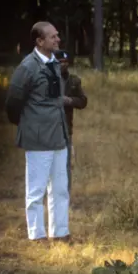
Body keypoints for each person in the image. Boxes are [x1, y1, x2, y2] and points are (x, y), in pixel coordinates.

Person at [5, 21, 71, 243]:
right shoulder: (27, 68)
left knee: (60, 189)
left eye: (57, 35)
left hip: (58, 135)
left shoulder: (55, 63)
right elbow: (13, 103)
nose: (57, 39)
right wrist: (29, 125)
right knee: (36, 192)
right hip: (38, 139)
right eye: (52, 37)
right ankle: (37, 236)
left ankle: (60, 233)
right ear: (39, 41)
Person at [54, 50, 87, 193]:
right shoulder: (47, 79)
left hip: (66, 129)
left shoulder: (74, 81)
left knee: (65, 164)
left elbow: (83, 101)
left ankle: (65, 193)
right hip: (49, 128)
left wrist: (69, 100)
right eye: (60, 62)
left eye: (65, 62)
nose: (63, 65)